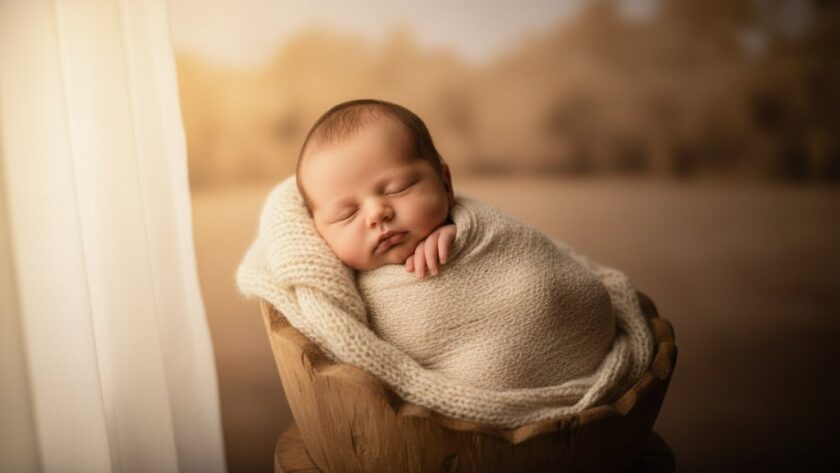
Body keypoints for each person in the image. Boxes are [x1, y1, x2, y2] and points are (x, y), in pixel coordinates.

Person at [295, 98, 457, 276]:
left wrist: (460, 237)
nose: (376, 214)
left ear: (445, 185)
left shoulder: (467, 230)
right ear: (318, 233)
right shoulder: (322, 274)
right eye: (347, 214)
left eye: (398, 189)